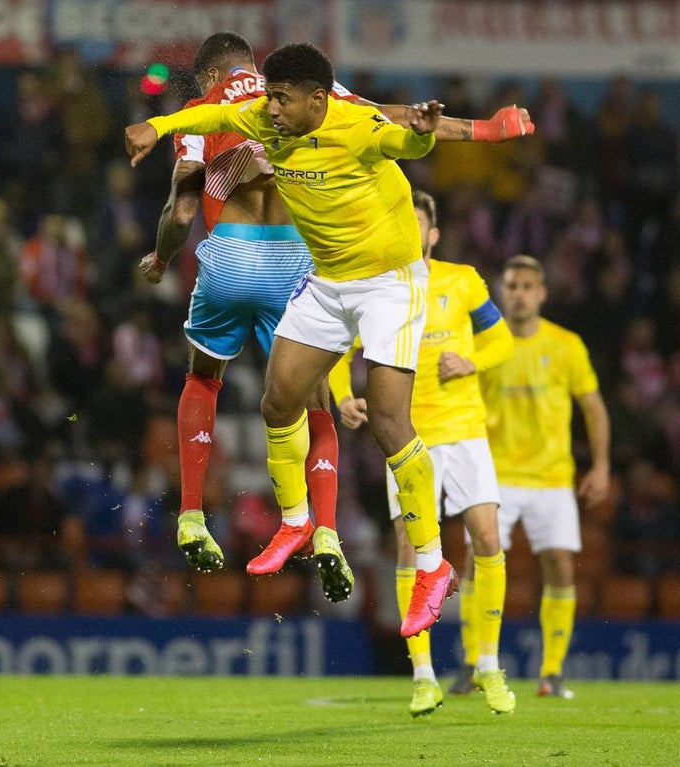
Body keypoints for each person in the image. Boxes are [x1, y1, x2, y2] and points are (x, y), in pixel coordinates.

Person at [144, 33, 534, 598]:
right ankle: (324, 530)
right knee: (316, 400)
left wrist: (161, 259)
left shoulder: (211, 108)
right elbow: (394, 118)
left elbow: (182, 211)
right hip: (302, 259)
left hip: (233, 255)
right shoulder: (314, 97)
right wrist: (485, 129)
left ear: (209, 76)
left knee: (205, 379)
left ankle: (192, 516)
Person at [330, 191, 516, 716]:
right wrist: (343, 397)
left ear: (433, 234)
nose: (409, 230)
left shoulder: (463, 280)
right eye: (401, 222)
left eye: (417, 223)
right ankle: (423, 676)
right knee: (410, 549)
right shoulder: (374, 288)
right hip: (407, 438)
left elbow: (502, 340)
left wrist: (472, 361)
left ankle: (487, 664)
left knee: (487, 538)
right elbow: (339, 353)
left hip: (464, 429)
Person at [467, 254, 610, 700]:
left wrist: (601, 465)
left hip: (551, 476)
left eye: (528, 286)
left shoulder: (566, 345)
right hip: (495, 474)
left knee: (560, 564)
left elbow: (594, 408)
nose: (519, 294)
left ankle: (552, 673)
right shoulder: (484, 343)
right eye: (512, 286)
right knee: (477, 561)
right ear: (500, 291)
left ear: (543, 293)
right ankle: (473, 664)